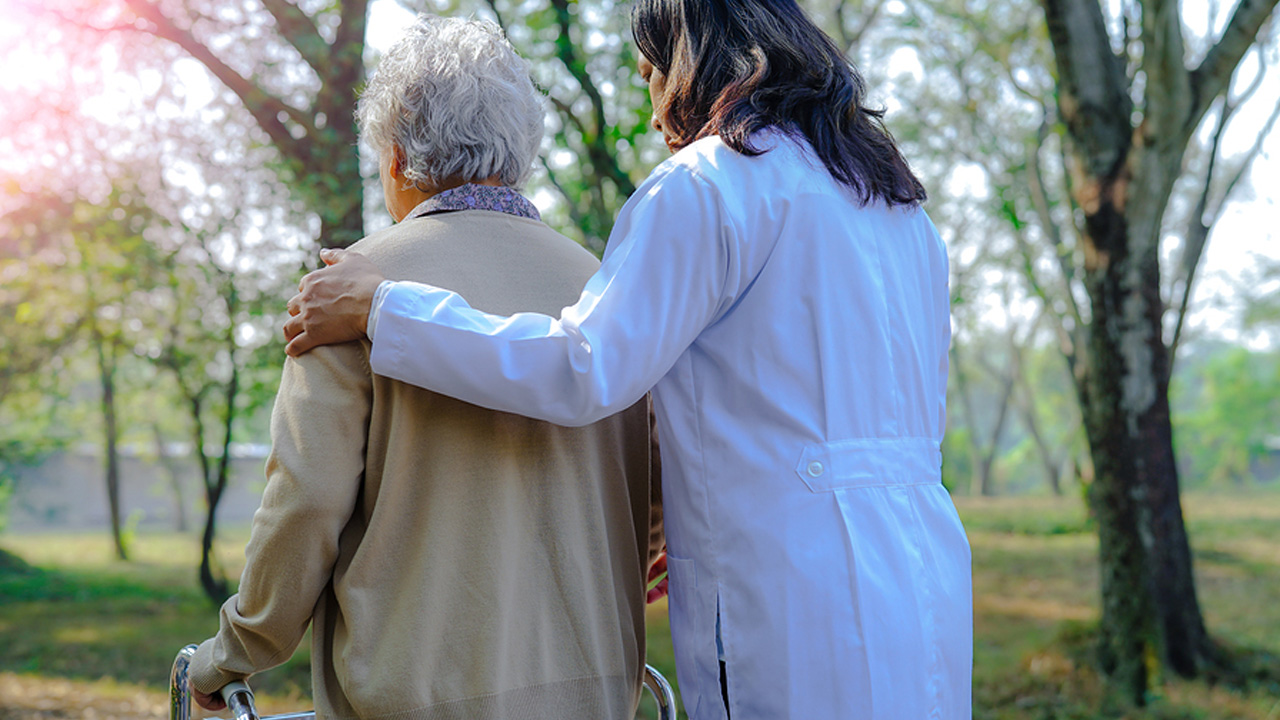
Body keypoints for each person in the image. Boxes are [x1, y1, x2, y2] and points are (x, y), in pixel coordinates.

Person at [285, 0, 972, 717]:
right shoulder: (897, 206)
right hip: (925, 580)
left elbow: (582, 368)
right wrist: (692, 510)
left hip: (795, 602)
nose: (651, 114)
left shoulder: (708, 187)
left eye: (649, 74)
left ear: (693, 60)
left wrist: (383, 309)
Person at [188, 15, 661, 720]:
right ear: (523, 149)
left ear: (397, 158)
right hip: (594, 694)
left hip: (414, 699)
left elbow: (306, 502)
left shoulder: (346, 292)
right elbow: (652, 496)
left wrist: (234, 651)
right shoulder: (605, 287)